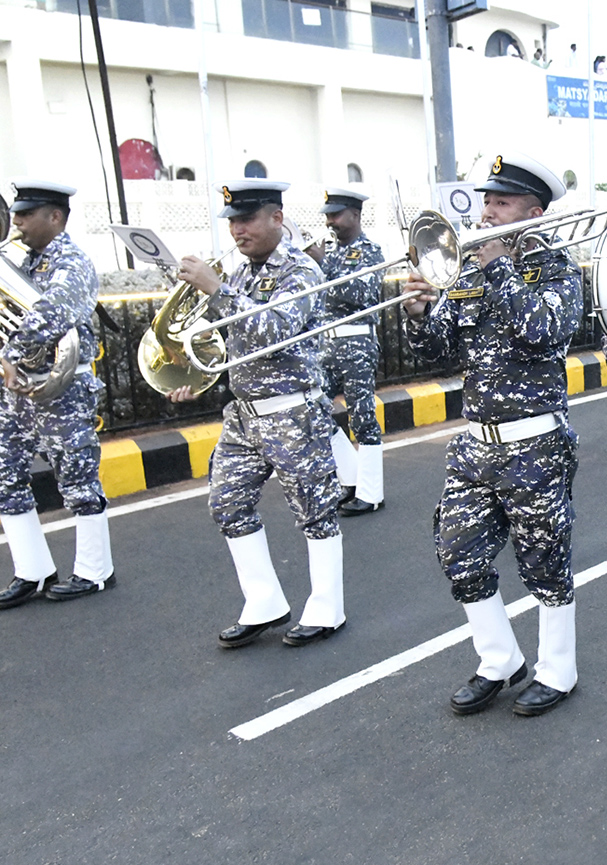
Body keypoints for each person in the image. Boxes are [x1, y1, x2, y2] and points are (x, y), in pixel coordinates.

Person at [402, 152, 582, 717]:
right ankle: (499, 659)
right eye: (486, 201)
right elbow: (434, 352)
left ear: (533, 210)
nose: (486, 211)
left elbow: (543, 334)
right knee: (458, 553)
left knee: (544, 562)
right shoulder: (467, 271)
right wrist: (418, 312)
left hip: (536, 443)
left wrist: (501, 265)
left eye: (500, 202)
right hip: (475, 443)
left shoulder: (558, 270)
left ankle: (559, 670)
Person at [171, 179, 345, 648]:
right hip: (243, 415)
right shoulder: (242, 273)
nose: (236, 230)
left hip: (292, 412)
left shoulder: (301, 271)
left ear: (276, 218)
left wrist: (216, 289)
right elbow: (228, 341)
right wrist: (191, 375)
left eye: (246, 219)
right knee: (227, 504)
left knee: (315, 512)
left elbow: (274, 329)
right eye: (231, 221)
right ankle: (264, 601)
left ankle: (328, 608)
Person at [0, 179, 115, 609]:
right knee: (5, 476)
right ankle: (32, 569)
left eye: (26, 214)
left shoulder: (72, 262)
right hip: (16, 390)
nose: (17, 222)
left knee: (78, 479)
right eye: (16, 214)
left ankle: (95, 570)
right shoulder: (16, 260)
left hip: (62, 387)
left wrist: (8, 353)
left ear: (55, 216)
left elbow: (50, 315)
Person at [309, 186, 387, 517]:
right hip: (327, 342)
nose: (331, 222)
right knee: (314, 408)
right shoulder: (331, 252)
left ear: (355, 215)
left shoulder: (370, 251)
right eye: (328, 215)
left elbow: (362, 292)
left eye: (336, 215)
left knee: (362, 416)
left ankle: (371, 494)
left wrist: (323, 264)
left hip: (357, 340)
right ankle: (352, 477)